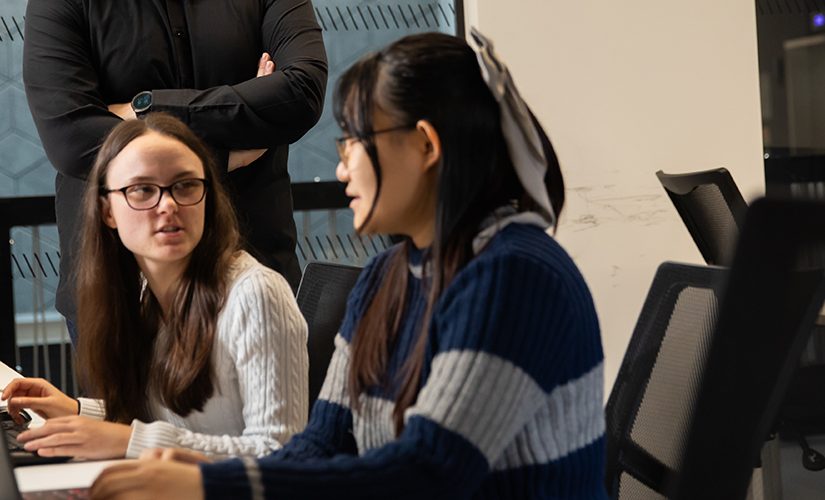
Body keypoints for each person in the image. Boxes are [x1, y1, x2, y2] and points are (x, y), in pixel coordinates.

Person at [90, 30, 608, 499]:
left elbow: (428, 473)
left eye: (356, 140)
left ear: (426, 145)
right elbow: (321, 443)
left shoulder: (513, 274)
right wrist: (208, 476)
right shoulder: (388, 274)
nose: (341, 165)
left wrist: (209, 484)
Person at [1, 113, 309, 460]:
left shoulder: (256, 294)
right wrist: (78, 412)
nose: (168, 205)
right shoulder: (143, 288)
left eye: (186, 185)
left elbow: (281, 455)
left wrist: (126, 440)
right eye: (143, 189)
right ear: (108, 212)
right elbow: (172, 422)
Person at [23, 0, 328, 344]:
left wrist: (144, 110)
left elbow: (302, 91)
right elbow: (72, 138)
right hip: (119, 289)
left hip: (254, 276)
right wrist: (224, 155)